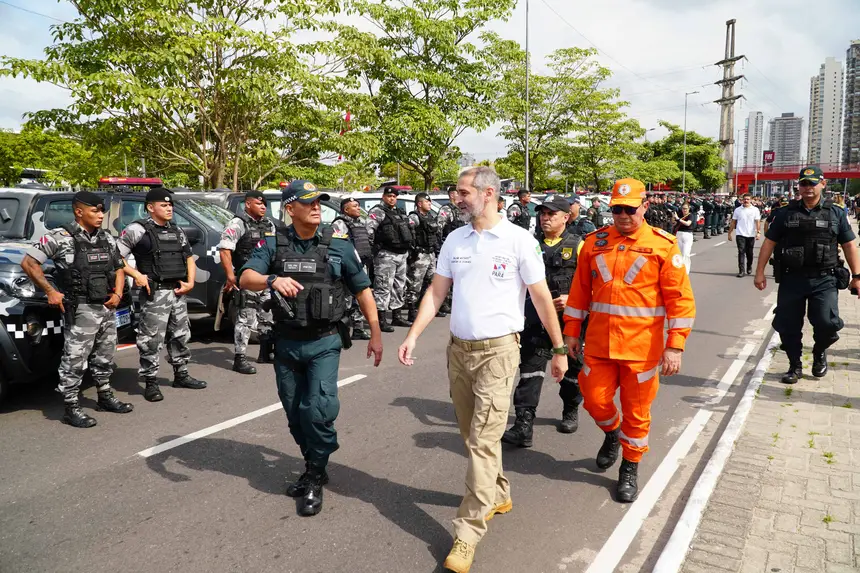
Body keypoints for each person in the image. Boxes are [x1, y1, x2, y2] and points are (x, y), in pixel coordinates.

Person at [397, 166, 566, 573]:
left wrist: (559, 349)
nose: (456, 198)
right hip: (459, 352)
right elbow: (437, 292)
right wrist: (413, 335)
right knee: (474, 435)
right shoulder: (455, 238)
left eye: (462, 192)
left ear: (488, 193)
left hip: (499, 353)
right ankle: (500, 492)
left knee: (482, 443)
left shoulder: (519, 240)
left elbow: (542, 299)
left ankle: (468, 531)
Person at [240, 180, 383, 516]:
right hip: (287, 343)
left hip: (324, 342)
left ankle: (315, 476)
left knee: (317, 409)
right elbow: (246, 277)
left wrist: (375, 333)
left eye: (319, 201)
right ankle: (313, 461)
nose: (317, 207)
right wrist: (272, 279)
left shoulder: (340, 246)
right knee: (295, 414)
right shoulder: (274, 244)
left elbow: (363, 291)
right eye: (308, 202)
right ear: (290, 209)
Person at [562, 178, 696, 503]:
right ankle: (612, 433)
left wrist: (675, 345)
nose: (623, 215)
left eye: (629, 209)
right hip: (598, 344)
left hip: (641, 349)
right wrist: (570, 332)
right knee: (594, 400)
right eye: (617, 209)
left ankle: (629, 467)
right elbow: (580, 292)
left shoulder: (663, 246)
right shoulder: (594, 243)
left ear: (644, 207)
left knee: (638, 413)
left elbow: (680, 300)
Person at [21, 191, 133, 428]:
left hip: (105, 306)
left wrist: (118, 293)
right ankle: (71, 406)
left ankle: (105, 395)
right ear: (78, 211)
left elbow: (119, 267)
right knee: (75, 358)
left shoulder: (106, 238)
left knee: (105, 355)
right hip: (80, 308)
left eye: (101, 211)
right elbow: (29, 263)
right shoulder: (59, 237)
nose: (101, 215)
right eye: (95, 211)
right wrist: (50, 291)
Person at [754, 166, 860, 384]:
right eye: (804, 183)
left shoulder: (836, 213)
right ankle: (795, 365)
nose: (808, 188)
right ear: (798, 186)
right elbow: (769, 243)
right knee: (787, 324)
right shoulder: (785, 213)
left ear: (823, 184)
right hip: (792, 278)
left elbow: (849, 245)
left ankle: (820, 351)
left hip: (825, 278)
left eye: (812, 183)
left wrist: (857, 276)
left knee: (827, 322)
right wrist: (759, 273)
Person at [502, 194, 584, 447]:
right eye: (543, 214)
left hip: (569, 321)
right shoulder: (529, 243)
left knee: (571, 372)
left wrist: (573, 298)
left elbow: (595, 284)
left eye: (551, 214)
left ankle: (570, 409)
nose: (545, 218)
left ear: (566, 217)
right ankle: (524, 424)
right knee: (530, 370)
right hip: (536, 320)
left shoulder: (580, 245)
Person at [118, 187, 206, 402]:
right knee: (151, 339)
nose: (169, 209)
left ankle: (181, 374)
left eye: (170, 205)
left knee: (180, 335)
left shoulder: (177, 230)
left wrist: (190, 282)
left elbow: (189, 258)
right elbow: (115, 257)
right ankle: (150, 382)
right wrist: (136, 274)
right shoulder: (137, 230)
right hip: (154, 293)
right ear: (150, 207)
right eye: (164, 205)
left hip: (177, 291)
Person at [218, 190, 277, 374]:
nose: (263, 207)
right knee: (246, 318)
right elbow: (225, 250)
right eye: (259, 204)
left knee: (267, 315)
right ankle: (240, 358)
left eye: (264, 204)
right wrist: (231, 276)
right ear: (248, 204)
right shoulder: (238, 223)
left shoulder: (269, 224)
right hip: (247, 278)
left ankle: (265, 352)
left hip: (266, 278)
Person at [366, 187, 413, 331]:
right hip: (386, 255)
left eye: (394, 196)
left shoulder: (399, 212)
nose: (392, 198)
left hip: (401, 254)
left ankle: (396, 316)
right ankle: (380, 319)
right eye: (389, 196)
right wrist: (373, 249)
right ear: (383, 197)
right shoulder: (377, 212)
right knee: (383, 286)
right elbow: (369, 230)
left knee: (399, 286)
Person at [332, 197, 374, 340]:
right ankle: (342, 330)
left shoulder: (360, 223)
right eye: (354, 206)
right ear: (346, 209)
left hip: (361, 265)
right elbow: (338, 246)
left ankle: (358, 329)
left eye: (358, 205)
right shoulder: (340, 223)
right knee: (346, 300)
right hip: (348, 267)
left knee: (360, 298)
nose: (358, 208)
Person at [405, 192, 441, 322]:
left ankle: (427, 307)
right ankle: (412, 310)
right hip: (420, 255)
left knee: (433, 281)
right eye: (427, 202)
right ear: (419, 204)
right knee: (415, 283)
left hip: (430, 253)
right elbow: (407, 233)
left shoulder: (430, 216)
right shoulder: (414, 217)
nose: (429, 204)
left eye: (430, 202)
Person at [728, 193, 761, 278]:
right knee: (741, 251)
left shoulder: (755, 210)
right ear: (742, 200)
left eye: (748, 199)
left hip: (750, 234)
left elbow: (757, 222)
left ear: (750, 200)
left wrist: (758, 232)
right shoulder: (738, 210)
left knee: (749, 253)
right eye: (744, 199)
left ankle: (749, 266)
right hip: (740, 234)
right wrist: (729, 233)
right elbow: (733, 222)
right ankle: (741, 270)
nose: (746, 201)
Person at [673, 203, 694, 274]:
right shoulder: (679, 214)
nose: (684, 210)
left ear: (689, 209)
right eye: (683, 208)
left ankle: (686, 272)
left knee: (685, 253)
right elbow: (673, 222)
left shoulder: (690, 215)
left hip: (687, 235)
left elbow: (688, 223)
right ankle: (679, 270)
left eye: (686, 209)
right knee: (679, 254)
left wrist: (678, 219)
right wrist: (673, 217)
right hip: (679, 234)